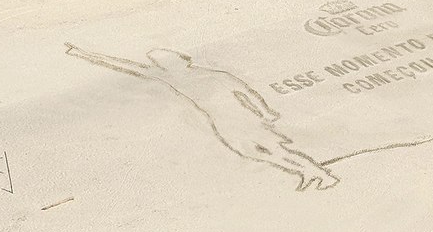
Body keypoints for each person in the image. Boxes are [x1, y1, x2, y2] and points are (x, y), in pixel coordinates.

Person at [65, 42, 339, 191]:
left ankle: (317, 173)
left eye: (161, 61)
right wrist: (83, 53)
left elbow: (244, 90)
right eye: (159, 62)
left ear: (178, 61)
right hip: (224, 124)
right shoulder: (168, 77)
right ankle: (308, 172)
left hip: (242, 119)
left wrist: (265, 112)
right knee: (256, 153)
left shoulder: (210, 74)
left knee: (273, 147)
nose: (158, 65)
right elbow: (123, 64)